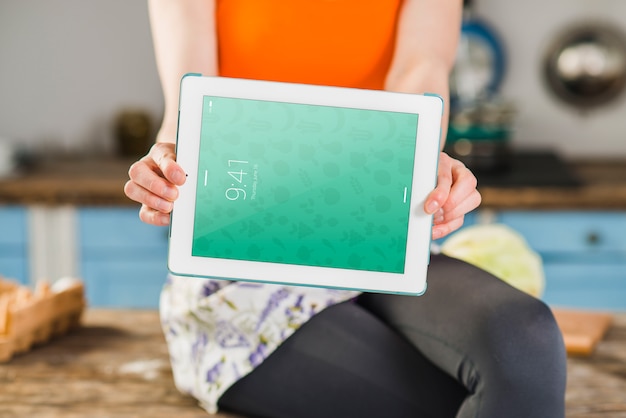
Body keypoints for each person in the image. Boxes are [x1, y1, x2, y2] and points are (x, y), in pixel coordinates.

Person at [124, 1, 567, 417]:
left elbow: (422, 64)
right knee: (456, 398)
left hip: (376, 230)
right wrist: (171, 160)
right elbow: (192, 95)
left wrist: (419, 155)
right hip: (245, 264)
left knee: (524, 345)